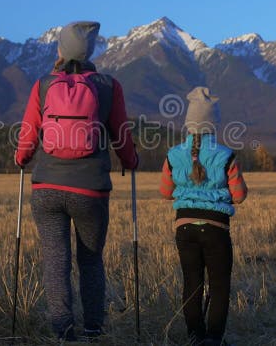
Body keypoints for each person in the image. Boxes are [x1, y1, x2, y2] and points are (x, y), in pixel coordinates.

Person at [15, 21, 139, 341]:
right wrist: (130, 161)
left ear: (60, 50)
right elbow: (121, 136)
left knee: (56, 261)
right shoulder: (108, 86)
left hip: (47, 188)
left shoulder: (43, 84)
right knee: (91, 260)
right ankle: (93, 328)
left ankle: (62, 329)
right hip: (91, 189)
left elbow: (28, 134)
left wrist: (21, 159)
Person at [159, 87, 248, 346]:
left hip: (184, 228)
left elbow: (165, 192)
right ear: (214, 123)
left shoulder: (173, 155)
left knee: (192, 283)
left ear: (188, 123)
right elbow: (239, 195)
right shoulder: (226, 155)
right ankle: (213, 339)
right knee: (219, 286)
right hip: (216, 229)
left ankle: (194, 338)